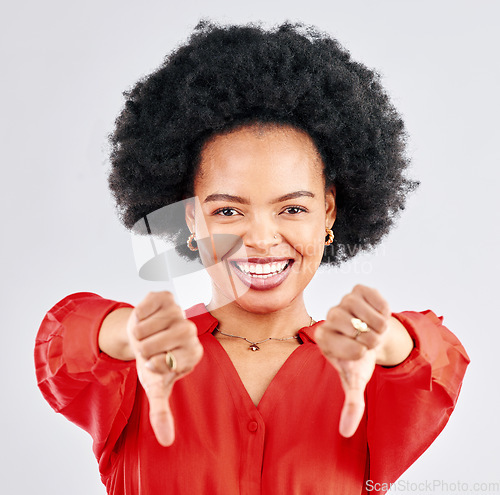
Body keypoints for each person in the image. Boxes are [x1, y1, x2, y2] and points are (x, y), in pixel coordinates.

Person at [35, 20, 470, 495]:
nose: (261, 239)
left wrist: (389, 341)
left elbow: (430, 364)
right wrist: (124, 333)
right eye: (227, 210)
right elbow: (66, 340)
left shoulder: (367, 374)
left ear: (328, 212)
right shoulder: (142, 365)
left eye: (292, 208)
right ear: (189, 220)